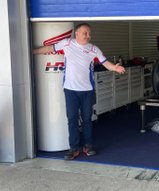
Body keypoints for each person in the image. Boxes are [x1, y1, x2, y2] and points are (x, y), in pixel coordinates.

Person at [33, 23, 125, 160]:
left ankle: (88, 146)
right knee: (72, 120)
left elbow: (105, 62)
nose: (89, 36)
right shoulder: (66, 44)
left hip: (87, 91)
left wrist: (115, 68)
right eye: (85, 33)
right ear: (77, 33)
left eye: (89, 33)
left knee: (87, 119)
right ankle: (74, 148)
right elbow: (49, 48)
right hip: (70, 90)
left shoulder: (94, 49)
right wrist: (32, 51)